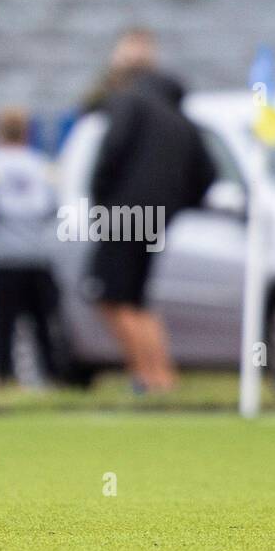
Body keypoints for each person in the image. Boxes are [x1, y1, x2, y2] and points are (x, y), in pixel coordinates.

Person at [83, 28, 216, 393]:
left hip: (122, 215)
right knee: (136, 299)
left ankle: (150, 376)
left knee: (112, 295)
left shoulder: (130, 100)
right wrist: (174, 207)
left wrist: (100, 202)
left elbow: (109, 150)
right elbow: (208, 174)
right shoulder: (182, 118)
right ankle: (159, 376)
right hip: (156, 219)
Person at [0, 106, 60, 385]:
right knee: (44, 324)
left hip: (4, 257)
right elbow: (56, 205)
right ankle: (52, 377)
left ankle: (4, 379)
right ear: (27, 132)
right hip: (38, 256)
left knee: (4, 325)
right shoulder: (43, 165)